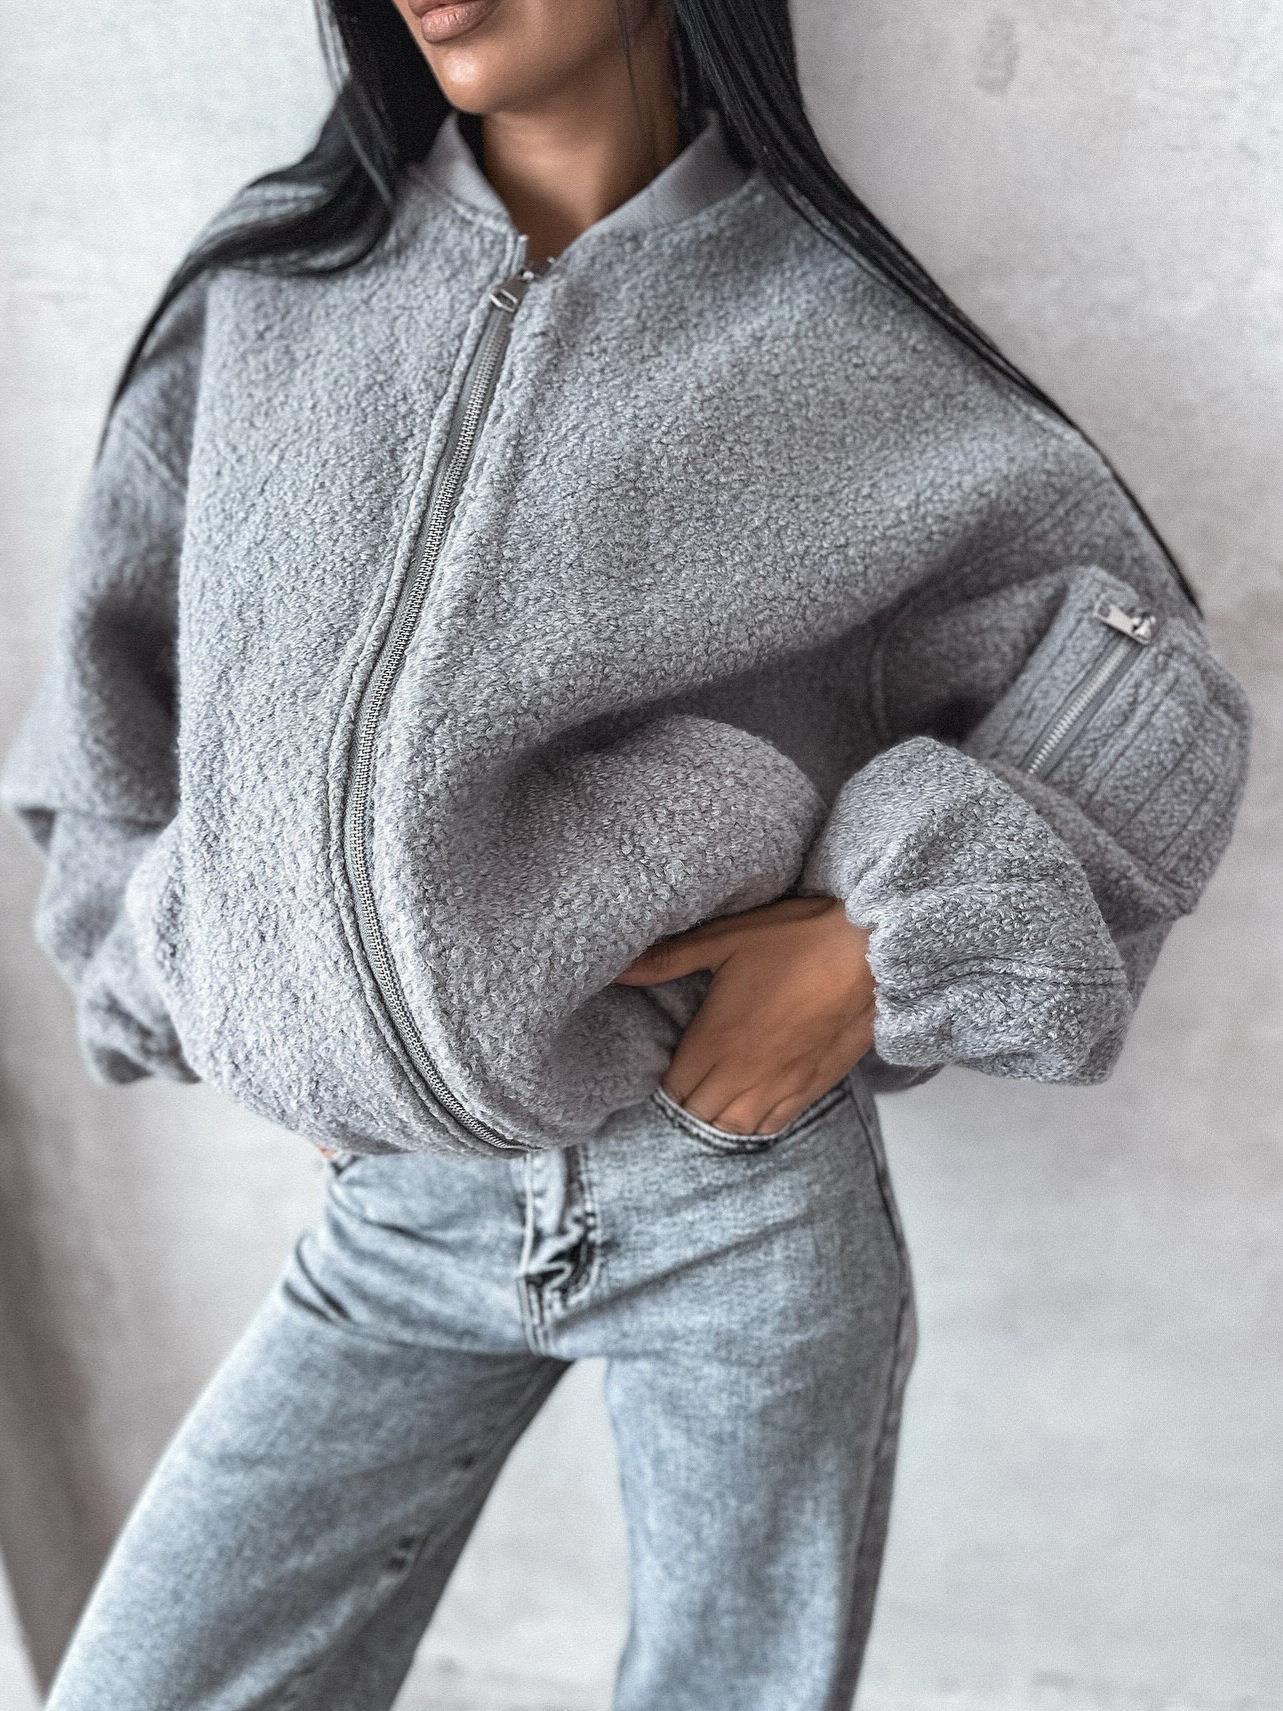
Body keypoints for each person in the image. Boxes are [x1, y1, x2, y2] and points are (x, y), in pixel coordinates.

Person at [1, 0, 1252, 1706]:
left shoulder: (826, 338)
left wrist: (874, 946)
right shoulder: (274, 298)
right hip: (400, 1216)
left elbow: (1142, 681)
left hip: (728, 1185)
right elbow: (106, 714)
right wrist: (227, 972)